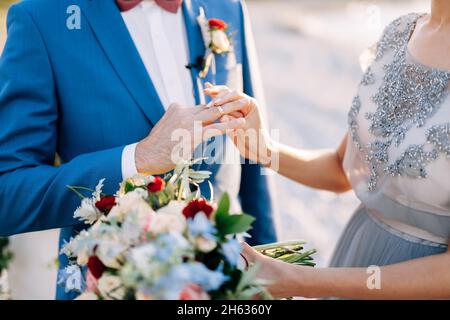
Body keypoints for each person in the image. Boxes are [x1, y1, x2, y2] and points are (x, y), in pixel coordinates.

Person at [0, 0, 277, 299]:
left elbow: (254, 163)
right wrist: (138, 158)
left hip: (229, 286)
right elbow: (9, 192)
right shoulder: (41, 18)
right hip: (111, 286)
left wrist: (272, 281)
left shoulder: (228, 8)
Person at [206, 0, 450, 299]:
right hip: (357, 253)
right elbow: (341, 170)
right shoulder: (399, 33)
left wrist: (302, 280)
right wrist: (263, 148)